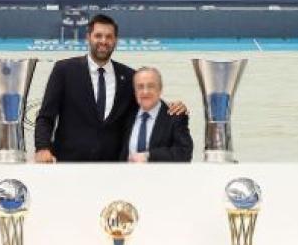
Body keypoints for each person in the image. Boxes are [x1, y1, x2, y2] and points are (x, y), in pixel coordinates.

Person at [34, 14, 185, 163]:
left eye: (109, 37)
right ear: (88, 37)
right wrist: (42, 148)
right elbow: (46, 117)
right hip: (69, 165)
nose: (103, 41)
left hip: (113, 170)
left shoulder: (129, 76)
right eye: (98, 36)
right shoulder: (64, 70)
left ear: (115, 41)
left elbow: (149, 104)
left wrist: (173, 109)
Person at [121, 67, 193, 163]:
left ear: (160, 89)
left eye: (150, 86)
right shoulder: (126, 115)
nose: (145, 92)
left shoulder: (174, 116)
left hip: (160, 177)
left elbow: (184, 153)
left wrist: (149, 156)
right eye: (140, 87)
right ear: (135, 91)